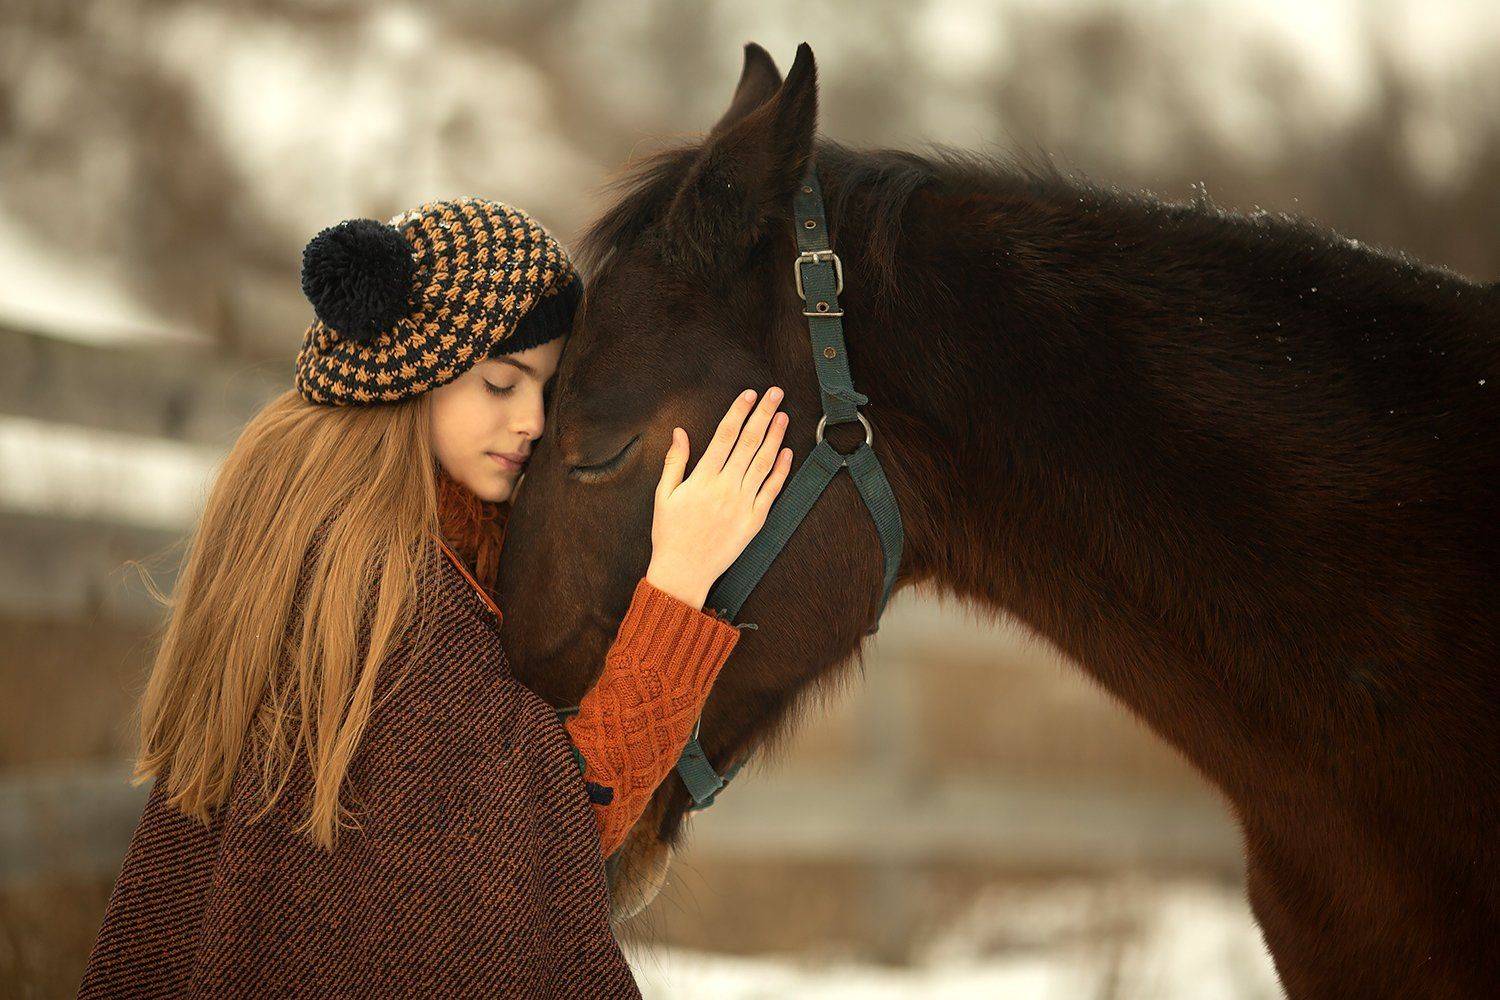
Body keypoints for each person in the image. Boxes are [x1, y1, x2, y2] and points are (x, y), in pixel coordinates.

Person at [77, 196, 793, 998]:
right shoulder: (388, 590)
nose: (531, 422)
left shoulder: (307, 533)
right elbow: (554, 827)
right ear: (411, 372)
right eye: (500, 383)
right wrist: (680, 584)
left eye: (546, 391)